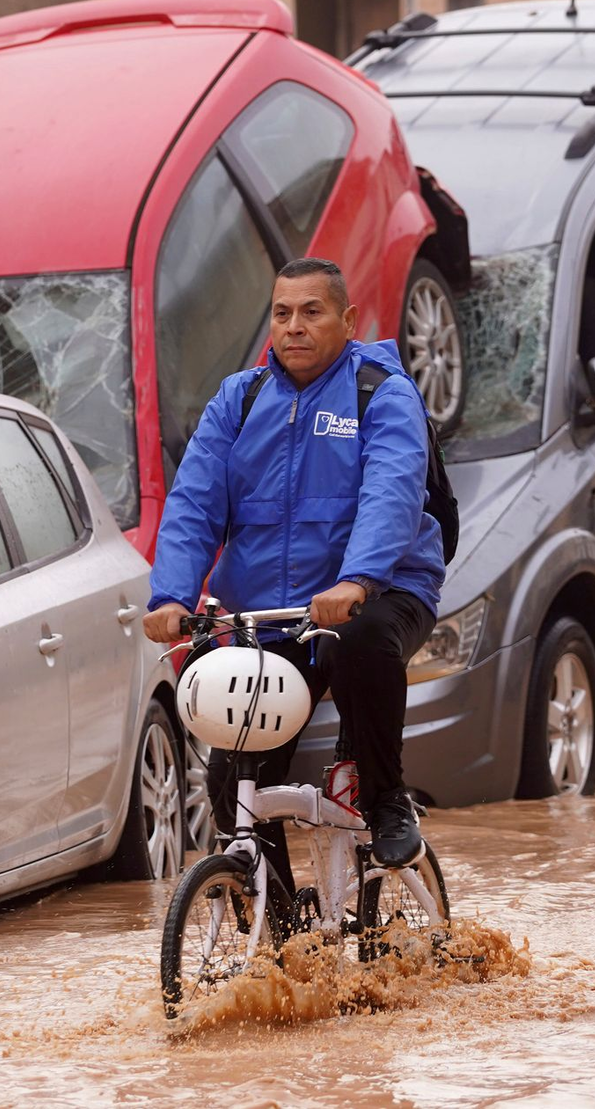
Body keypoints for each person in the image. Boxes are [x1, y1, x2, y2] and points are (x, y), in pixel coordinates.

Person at [143, 257, 445, 881]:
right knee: (233, 783)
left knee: (359, 640)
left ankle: (388, 802)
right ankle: (276, 920)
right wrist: (171, 596)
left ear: (348, 320)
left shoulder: (381, 393)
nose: (294, 326)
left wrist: (356, 580)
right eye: (282, 313)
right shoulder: (239, 399)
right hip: (271, 615)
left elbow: (390, 493)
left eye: (312, 312)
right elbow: (195, 502)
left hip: (380, 592)